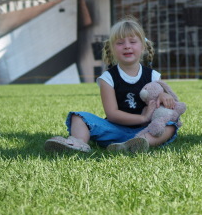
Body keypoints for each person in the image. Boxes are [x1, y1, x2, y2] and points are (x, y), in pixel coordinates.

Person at [45, 16, 181, 153]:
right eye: (120, 43)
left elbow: (164, 104)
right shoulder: (107, 78)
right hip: (115, 130)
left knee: (170, 125)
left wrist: (164, 95)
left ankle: (139, 143)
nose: (127, 46)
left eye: (132, 41)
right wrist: (142, 117)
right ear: (112, 48)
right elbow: (112, 114)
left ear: (143, 46)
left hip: (145, 130)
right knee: (78, 117)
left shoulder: (153, 75)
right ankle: (78, 143)